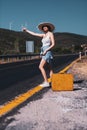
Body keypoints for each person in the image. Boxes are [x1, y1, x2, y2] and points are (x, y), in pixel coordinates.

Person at [23, 22, 55, 87]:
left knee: (41, 66)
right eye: (43, 28)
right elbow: (34, 34)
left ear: (48, 28)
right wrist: (26, 30)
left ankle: (46, 82)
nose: (44, 28)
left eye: (45, 27)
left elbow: (53, 44)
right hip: (43, 51)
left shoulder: (50, 34)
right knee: (50, 68)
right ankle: (54, 82)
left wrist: (46, 50)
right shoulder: (43, 35)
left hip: (47, 51)